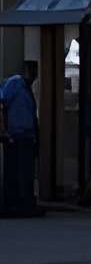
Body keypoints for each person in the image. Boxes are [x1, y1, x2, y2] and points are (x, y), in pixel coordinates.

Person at [0, 59, 41, 218]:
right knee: (17, 170)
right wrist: (5, 131)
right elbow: (3, 102)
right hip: (16, 136)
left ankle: (23, 202)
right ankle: (15, 203)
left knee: (25, 171)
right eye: (32, 71)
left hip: (25, 135)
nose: (34, 75)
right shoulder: (15, 84)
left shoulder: (26, 88)